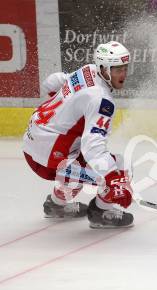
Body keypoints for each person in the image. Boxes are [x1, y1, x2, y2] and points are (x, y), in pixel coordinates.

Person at [23, 41, 134, 228]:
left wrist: (63, 106)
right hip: (50, 160)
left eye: (124, 68)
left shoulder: (88, 70)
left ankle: (56, 205)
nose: (122, 74)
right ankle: (101, 212)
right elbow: (93, 147)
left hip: (30, 141)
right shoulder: (102, 100)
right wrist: (112, 179)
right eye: (116, 69)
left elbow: (52, 81)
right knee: (120, 166)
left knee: (76, 163)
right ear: (104, 69)